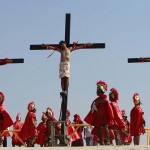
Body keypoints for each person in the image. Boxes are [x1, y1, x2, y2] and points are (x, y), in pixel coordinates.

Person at [84, 80, 114, 145]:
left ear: (100, 90)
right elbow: (92, 104)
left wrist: (96, 103)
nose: (96, 92)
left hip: (104, 116)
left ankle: (108, 140)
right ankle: (101, 141)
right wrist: (93, 105)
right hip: (98, 116)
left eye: (97, 90)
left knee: (105, 126)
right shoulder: (97, 99)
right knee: (98, 129)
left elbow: (105, 100)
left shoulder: (104, 96)